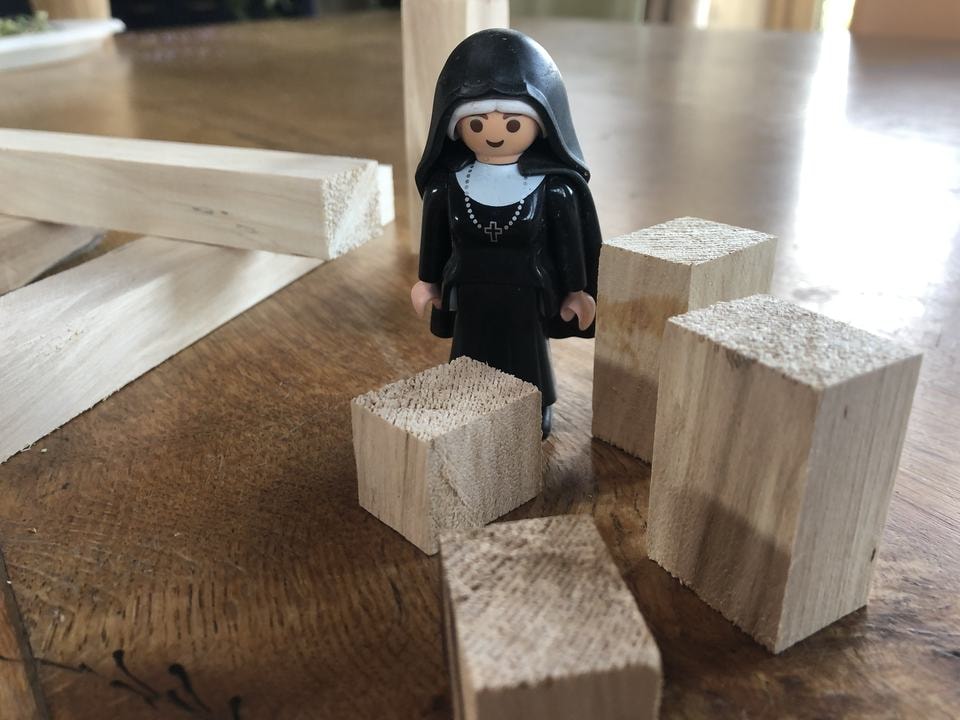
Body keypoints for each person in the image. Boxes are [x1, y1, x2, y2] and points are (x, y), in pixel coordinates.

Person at [410, 28, 602, 439]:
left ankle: (534, 403)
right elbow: (435, 239)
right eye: (477, 123)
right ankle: (468, 401)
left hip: (528, 289)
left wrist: (577, 291)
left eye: (513, 123)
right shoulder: (448, 186)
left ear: (542, 123)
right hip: (470, 287)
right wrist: (428, 282)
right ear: (454, 125)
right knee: (471, 350)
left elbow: (568, 244)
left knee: (526, 350)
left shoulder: (554, 189)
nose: (494, 133)